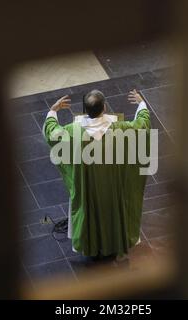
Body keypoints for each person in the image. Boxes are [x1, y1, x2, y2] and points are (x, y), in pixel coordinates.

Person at [43, 89, 151, 259]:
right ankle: (115, 240)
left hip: (87, 189)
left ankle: (91, 243)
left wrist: (53, 110)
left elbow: (52, 132)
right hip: (114, 190)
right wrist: (141, 104)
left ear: (84, 111)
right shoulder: (121, 129)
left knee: (88, 213)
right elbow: (142, 125)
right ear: (105, 108)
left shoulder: (73, 131)